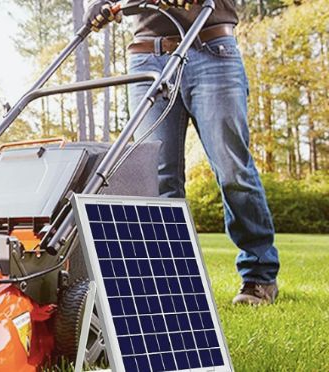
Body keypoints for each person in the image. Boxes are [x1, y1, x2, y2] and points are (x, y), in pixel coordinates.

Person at [84, 0, 280, 305]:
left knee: (232, 169)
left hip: (211, 48)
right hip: (147, 58)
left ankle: (259, 275)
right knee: (158, 180)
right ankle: (171, 280)